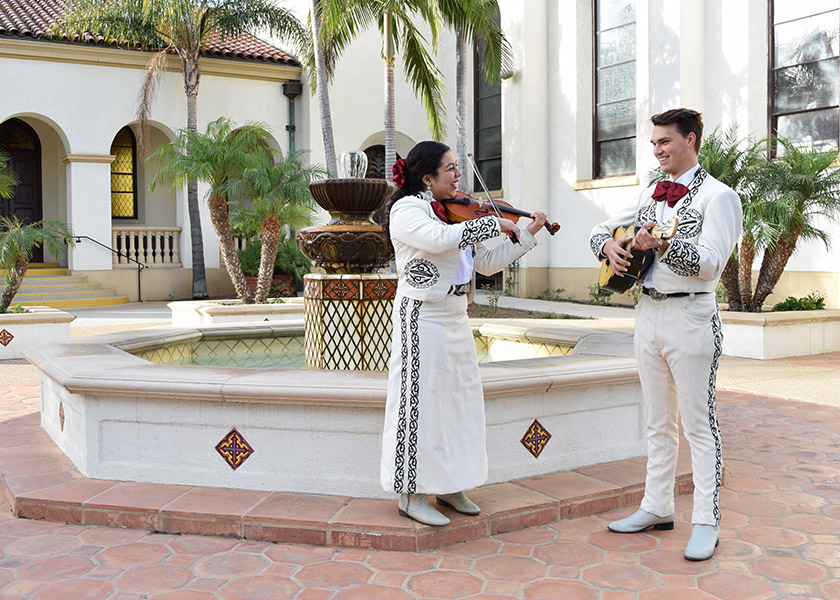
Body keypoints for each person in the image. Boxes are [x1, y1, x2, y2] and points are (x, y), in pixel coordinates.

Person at [589, 108, 742, 561]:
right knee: (656, 421)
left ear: (691, 140)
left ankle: (706, 522)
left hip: (692, 317)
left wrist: (666, 246)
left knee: (699, 425)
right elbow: (602, 228)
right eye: (653, 143)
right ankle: (655, 507)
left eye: (665, 142)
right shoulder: (649, 193)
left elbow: (712, 263)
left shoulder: (719, 197)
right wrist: (611, 246)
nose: (656, 150)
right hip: (647, 314)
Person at [380, 141, 547, 526]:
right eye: (450, 169)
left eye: (458, 167)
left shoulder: (456, 216)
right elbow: (437, 242)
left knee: (458, 403)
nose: (458, 175)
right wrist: (491, 223)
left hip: (455, 314)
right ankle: (410, 492)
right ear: (427, 178)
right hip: (421, 315)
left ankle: (450, 484)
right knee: (419, 404)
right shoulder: (409, 210)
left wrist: (525, 233)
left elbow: (486, 264)